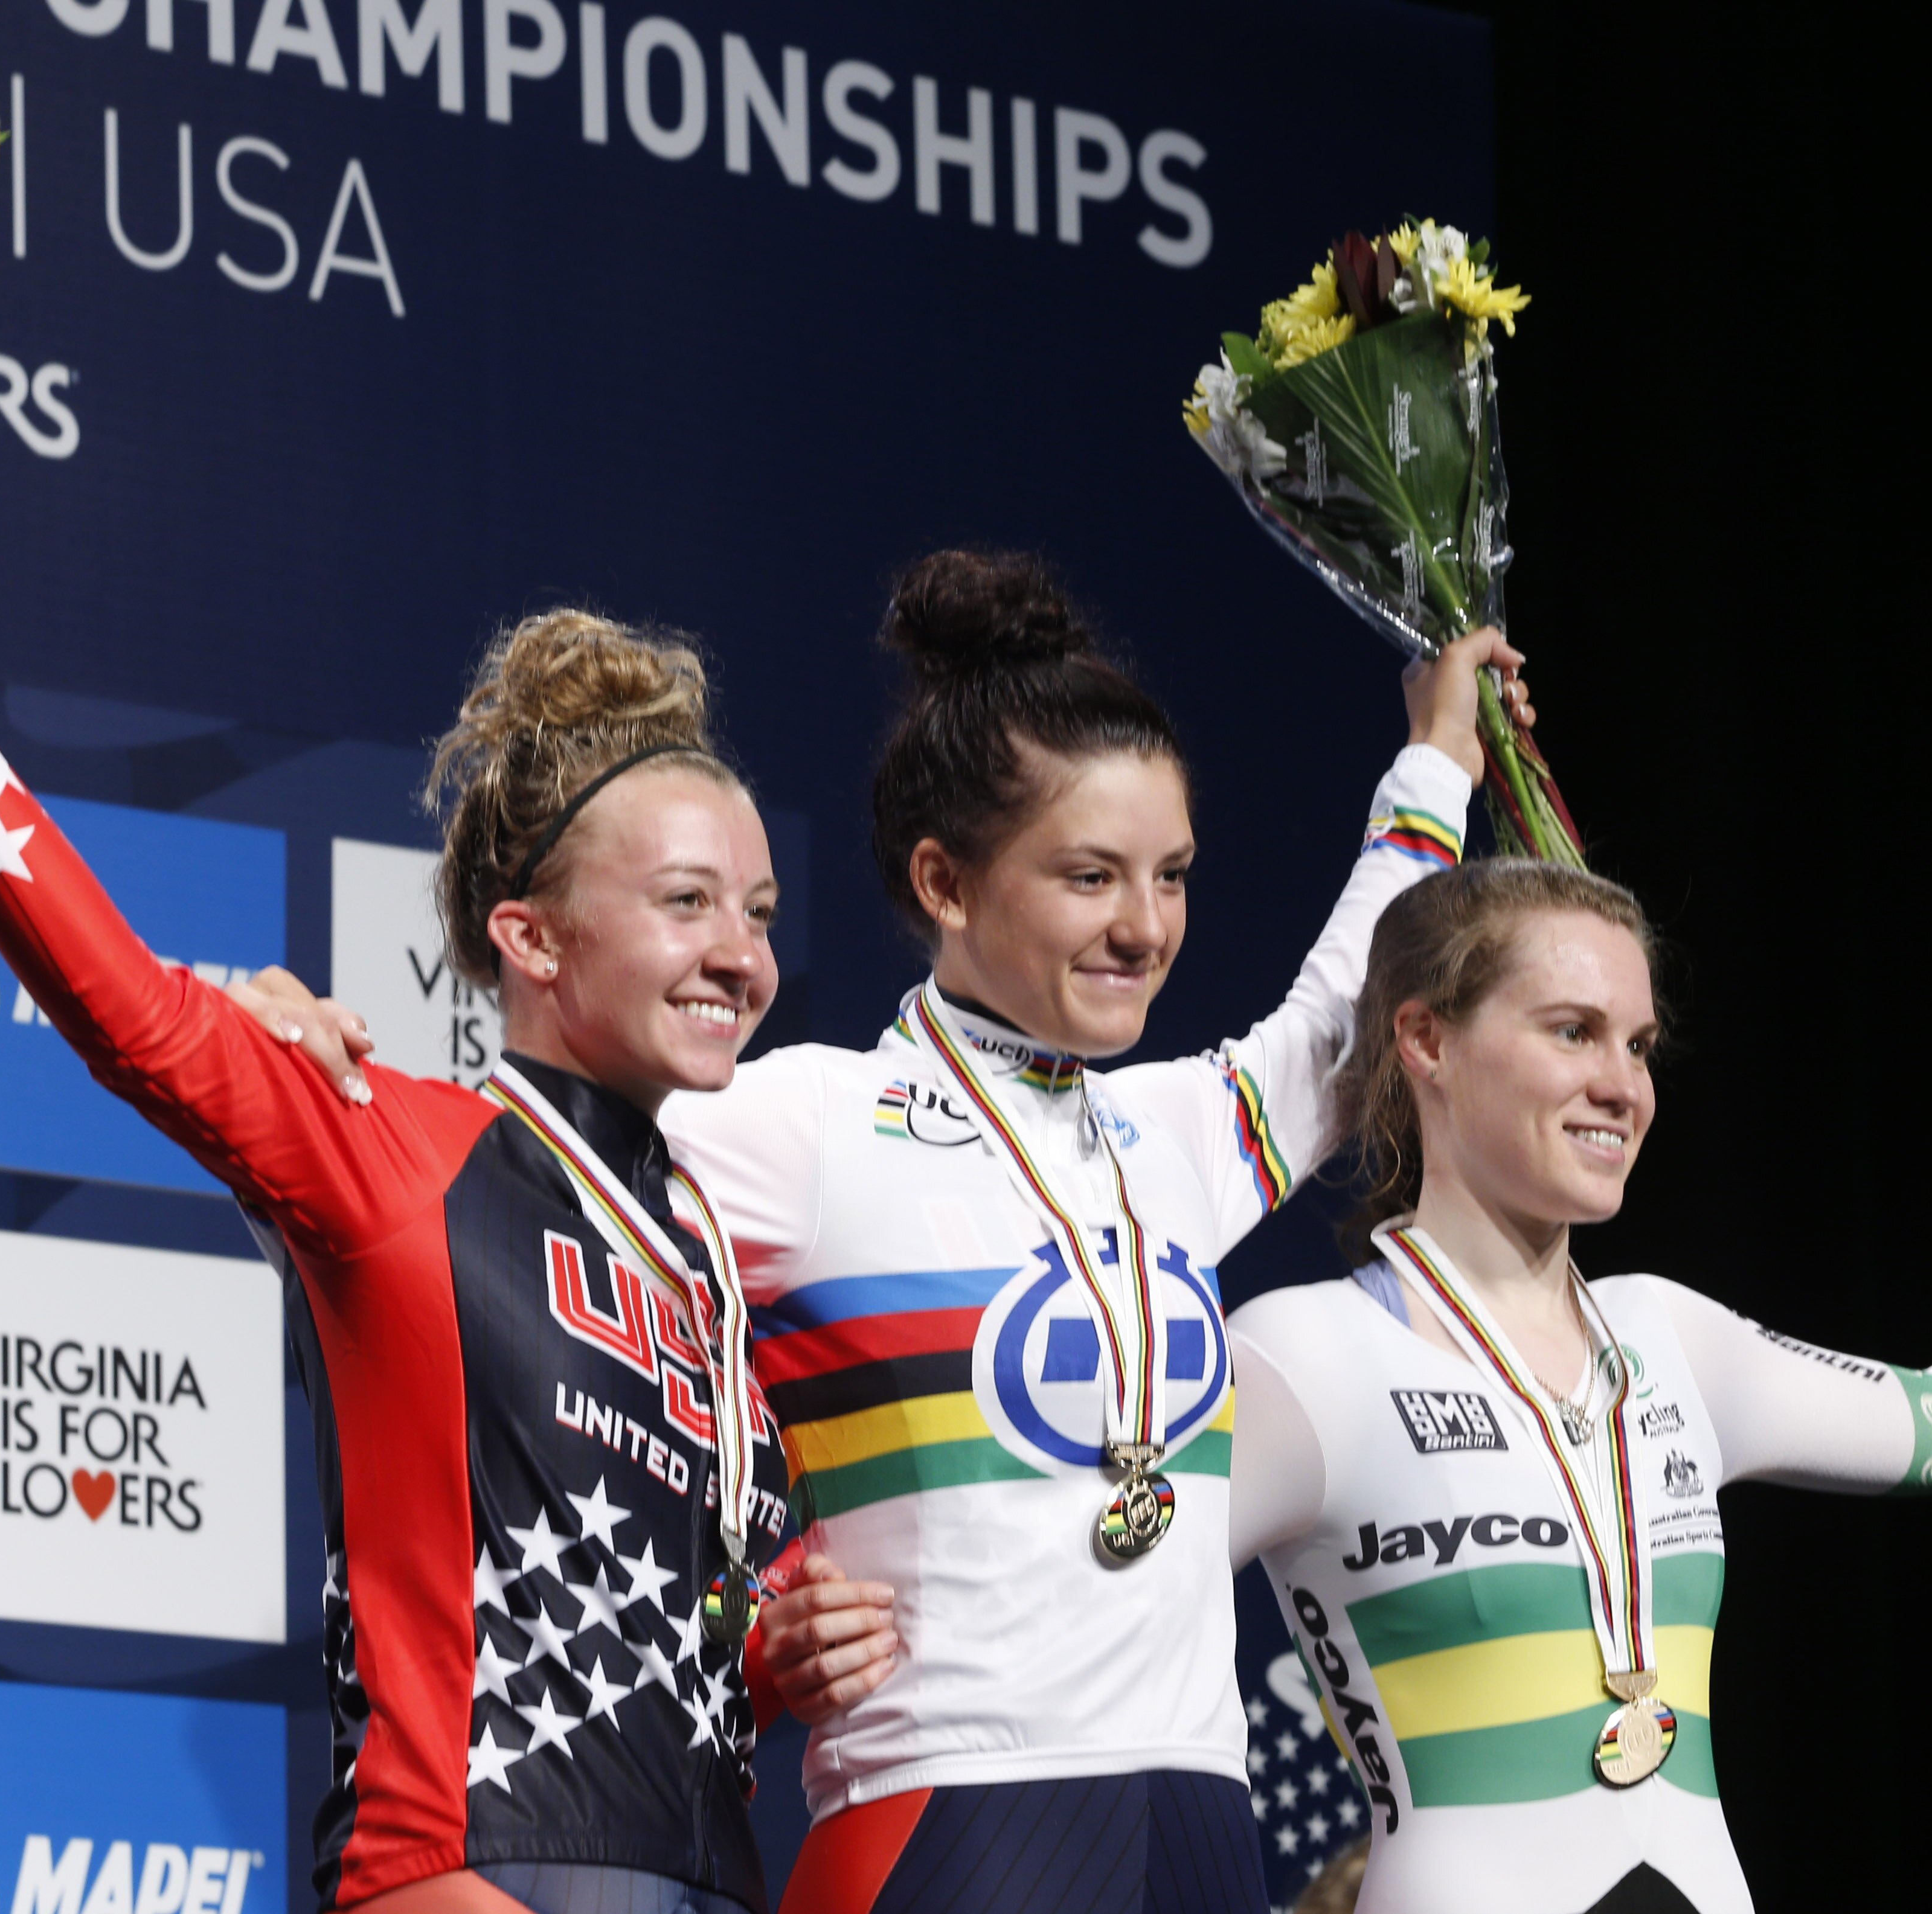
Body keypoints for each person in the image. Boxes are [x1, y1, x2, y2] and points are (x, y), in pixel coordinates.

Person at [243, 550, 1520, 1912]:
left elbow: (1341, 1018)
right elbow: (474, 1201)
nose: (1143, 926)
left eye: (1172, 875)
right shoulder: (801, 1128)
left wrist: (1434, 759)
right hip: (950, 1813)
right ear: (944, 882)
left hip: (1203, 1810)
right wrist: (298, 1051)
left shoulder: (1175, 1135)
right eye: (1090, 876)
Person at [0, 491, 800, 1914]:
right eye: (687, 901)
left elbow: (654, 1620)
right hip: (470, 1869)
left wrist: (780, 1648)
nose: (737, 953)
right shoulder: (388, 1142)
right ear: (532, 937)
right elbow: (127, 1006)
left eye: (755, 911)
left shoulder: (708, 1257)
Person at [1222, 859, 1932, 1914]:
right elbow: (1096, 1642)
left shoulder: (1669, 1339)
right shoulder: (1307, 1356)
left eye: (1638, 1045)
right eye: (1572, 1031)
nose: (1622, 1085)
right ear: (1426, 1040)